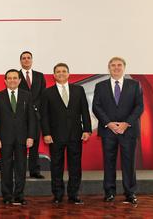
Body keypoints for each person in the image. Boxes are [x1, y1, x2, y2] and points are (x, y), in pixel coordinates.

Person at [92, 57, 143, 204]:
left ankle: (130, 193)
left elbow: (139, 106)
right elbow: (96, 106)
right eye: (113, 65)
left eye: (119, 65)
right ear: (109, 68)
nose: (116, 67)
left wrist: (126, 123)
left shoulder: (135, 85)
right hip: (109, 131)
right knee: (109, 162)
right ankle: (109, 192)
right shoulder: (100, 85)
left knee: (129, 163)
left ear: (124, 67)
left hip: (129, 130)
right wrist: (109, 123)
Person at [40, 63, 92, 204]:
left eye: (64, 71)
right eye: (58, 71)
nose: (61, 73)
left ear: (68, 74)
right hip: (55, 136)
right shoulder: (47, 92)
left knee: (75, 166)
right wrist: (46, 133)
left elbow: (85, 111)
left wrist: (87, 129)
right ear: (54, 75)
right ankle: (58, 194)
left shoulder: (78, 90)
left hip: (75, 135)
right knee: (56, 166)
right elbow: (44, 116)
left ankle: (73, 194)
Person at [0, 69, 36, 205]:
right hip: (4, 138)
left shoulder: (27, 96)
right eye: (9, 78)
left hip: (22, 138)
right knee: (5, 167)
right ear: (5, 81)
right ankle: (7, 195)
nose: (12, 80)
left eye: (15, 78)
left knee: (21, 167)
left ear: (19, 80)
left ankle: (19, 195)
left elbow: (31, 118)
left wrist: (30, 136)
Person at [18, 51, 46, 179]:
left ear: (32, 60)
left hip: (36, 115)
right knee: (21, 144)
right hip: (20, 116)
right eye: (23, 58)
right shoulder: (15, 76)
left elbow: (43, 95)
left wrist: (38, 110)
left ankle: (35, 170)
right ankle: (21, 170)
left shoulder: (40, 76)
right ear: (20, 61)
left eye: (28, 58)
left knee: (34, 143)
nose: (26, 60)